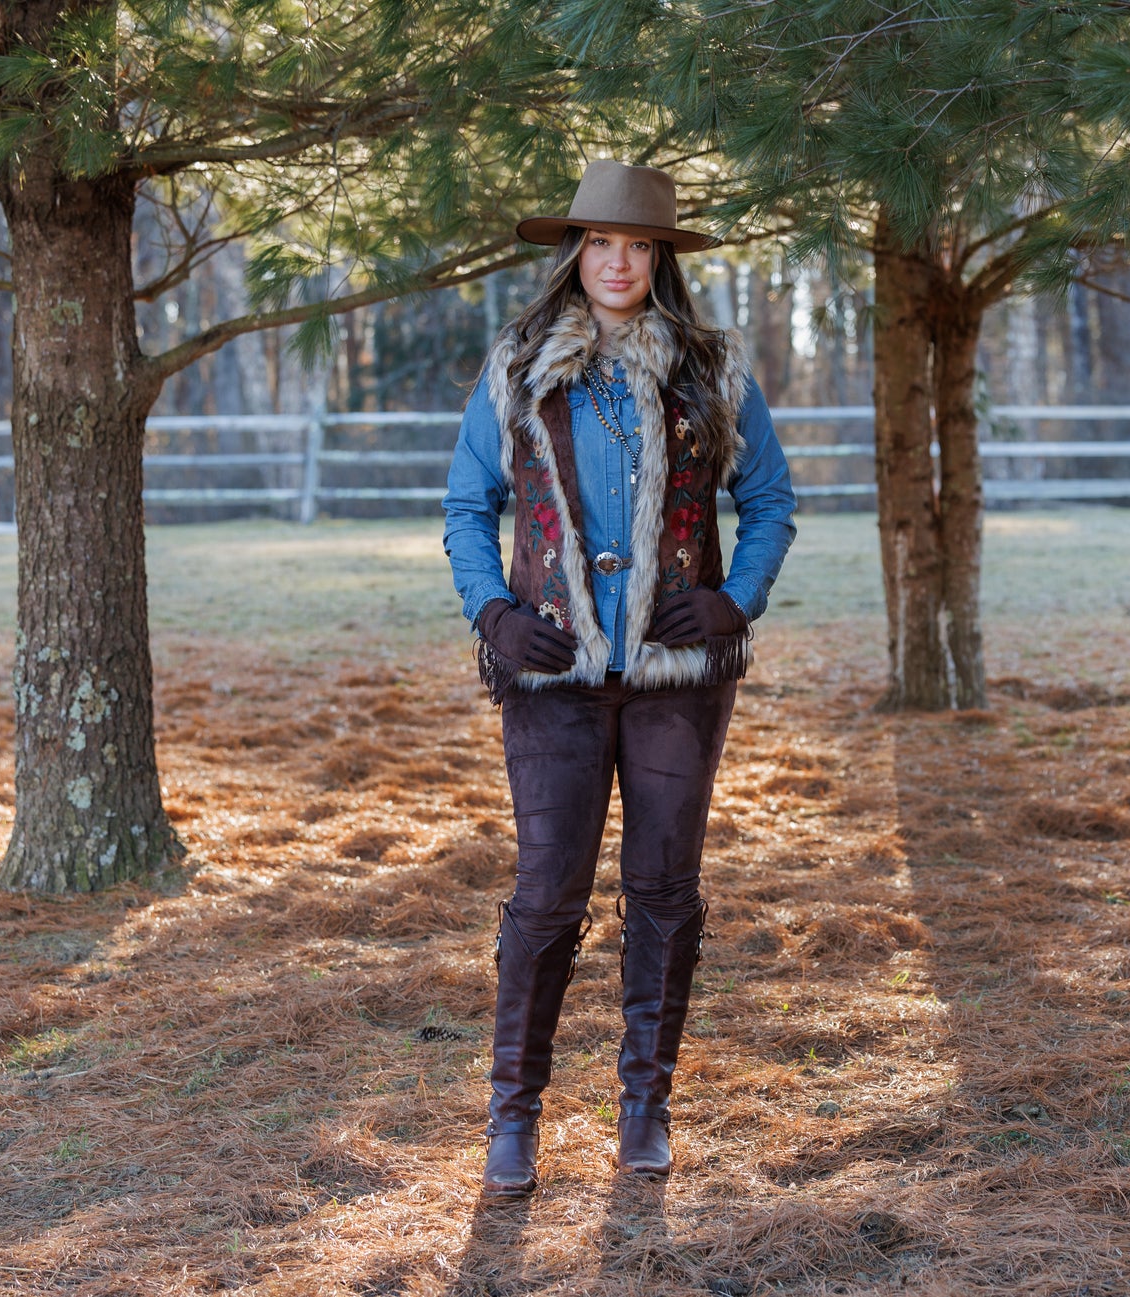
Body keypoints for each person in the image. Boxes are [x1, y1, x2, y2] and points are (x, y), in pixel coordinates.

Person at [441, 160, 797, 1196]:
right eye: (600, 243)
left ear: (659, 259)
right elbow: (468, 508)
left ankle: (645, 1105)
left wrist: (735, 597)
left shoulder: (711, 370)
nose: (617, 262)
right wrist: (494, 614)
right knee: (547, 894)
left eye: (636, 246)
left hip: (677, 677)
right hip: (550, 674)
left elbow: (770, 500)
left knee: (663, 891)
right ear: (575, 253)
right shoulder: (515, 365)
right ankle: (513, 1115)